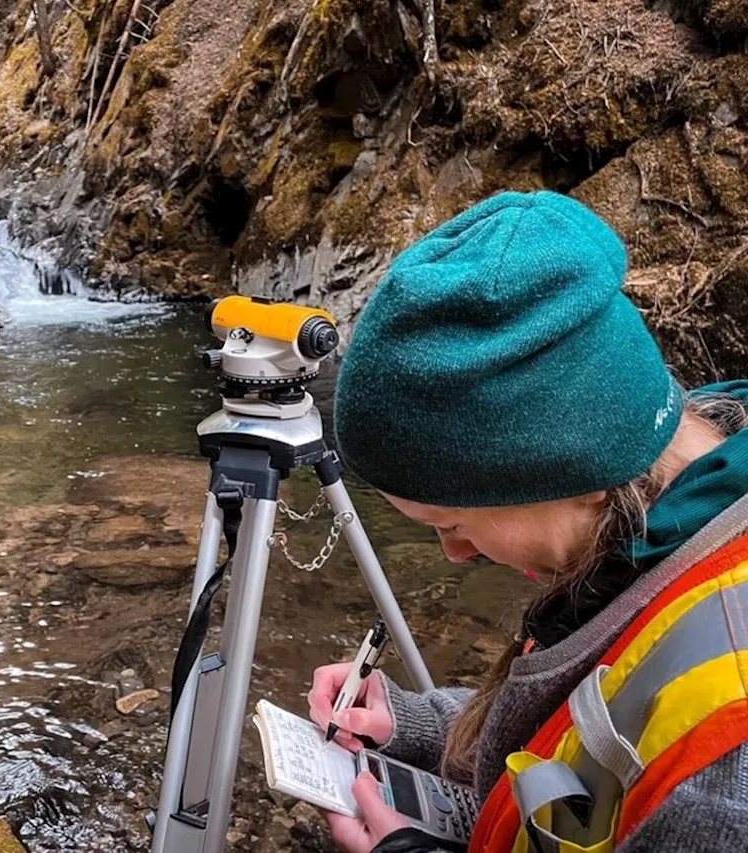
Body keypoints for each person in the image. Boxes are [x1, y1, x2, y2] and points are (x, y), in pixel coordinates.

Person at [307, 191, 748, 853]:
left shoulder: (726, 754)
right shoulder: (644, 536)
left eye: (451, 521)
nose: (453, 554)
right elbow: (584, 733)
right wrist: (415, 724)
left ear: (566, 469)